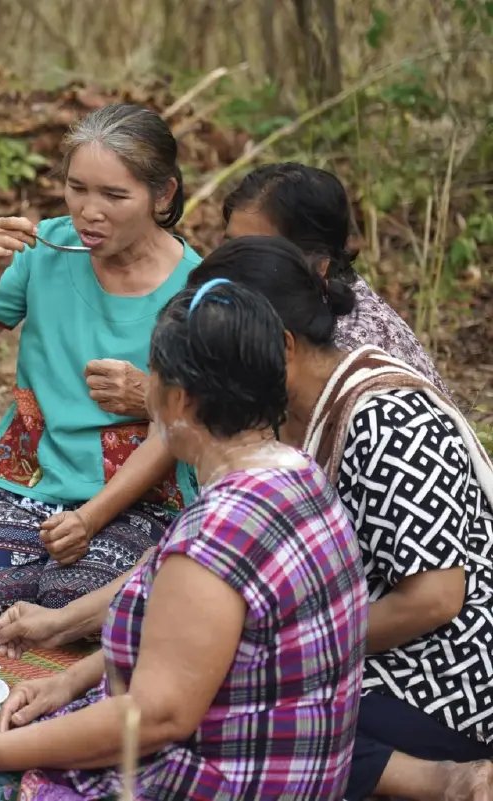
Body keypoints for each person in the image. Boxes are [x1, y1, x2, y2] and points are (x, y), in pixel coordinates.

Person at [0, 279, 367, 800]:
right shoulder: (298, 475)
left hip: (227, 782)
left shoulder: (214, 537)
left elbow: (156, 717)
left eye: (151, 376)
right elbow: (196, 648)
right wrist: (68, 682)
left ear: (176, 399)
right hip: (297, 775)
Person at [0, 161, 456, 657]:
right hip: (305, 621)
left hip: (405, 669)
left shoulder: (385, 415)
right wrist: (62, 626)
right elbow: (196, 561)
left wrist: (258, 650)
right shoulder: (272, 402)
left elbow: (433, 601)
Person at [187, 237, 493, 801]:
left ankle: (449, 780)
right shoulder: (280, 416)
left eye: (216, 360)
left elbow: (437, 598)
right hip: (361, 651)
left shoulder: (389, 419)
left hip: (442, 681)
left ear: (279, 347)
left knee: (221, 717)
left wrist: (285, 650)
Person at [0, 103, 202, 638]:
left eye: (114, 196)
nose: (88, 212)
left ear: (163, 195)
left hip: (136, 492)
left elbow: (177, 429)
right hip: (35, 477)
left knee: (76, 602)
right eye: (77, 189)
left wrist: (90, 519)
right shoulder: (43, 252)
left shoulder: (196, 288)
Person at [222, 162, 451, 397]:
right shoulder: (297, 306)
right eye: (230, 246)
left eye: (255, 253)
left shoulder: (344, 354)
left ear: (319, 264)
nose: (231, 265)